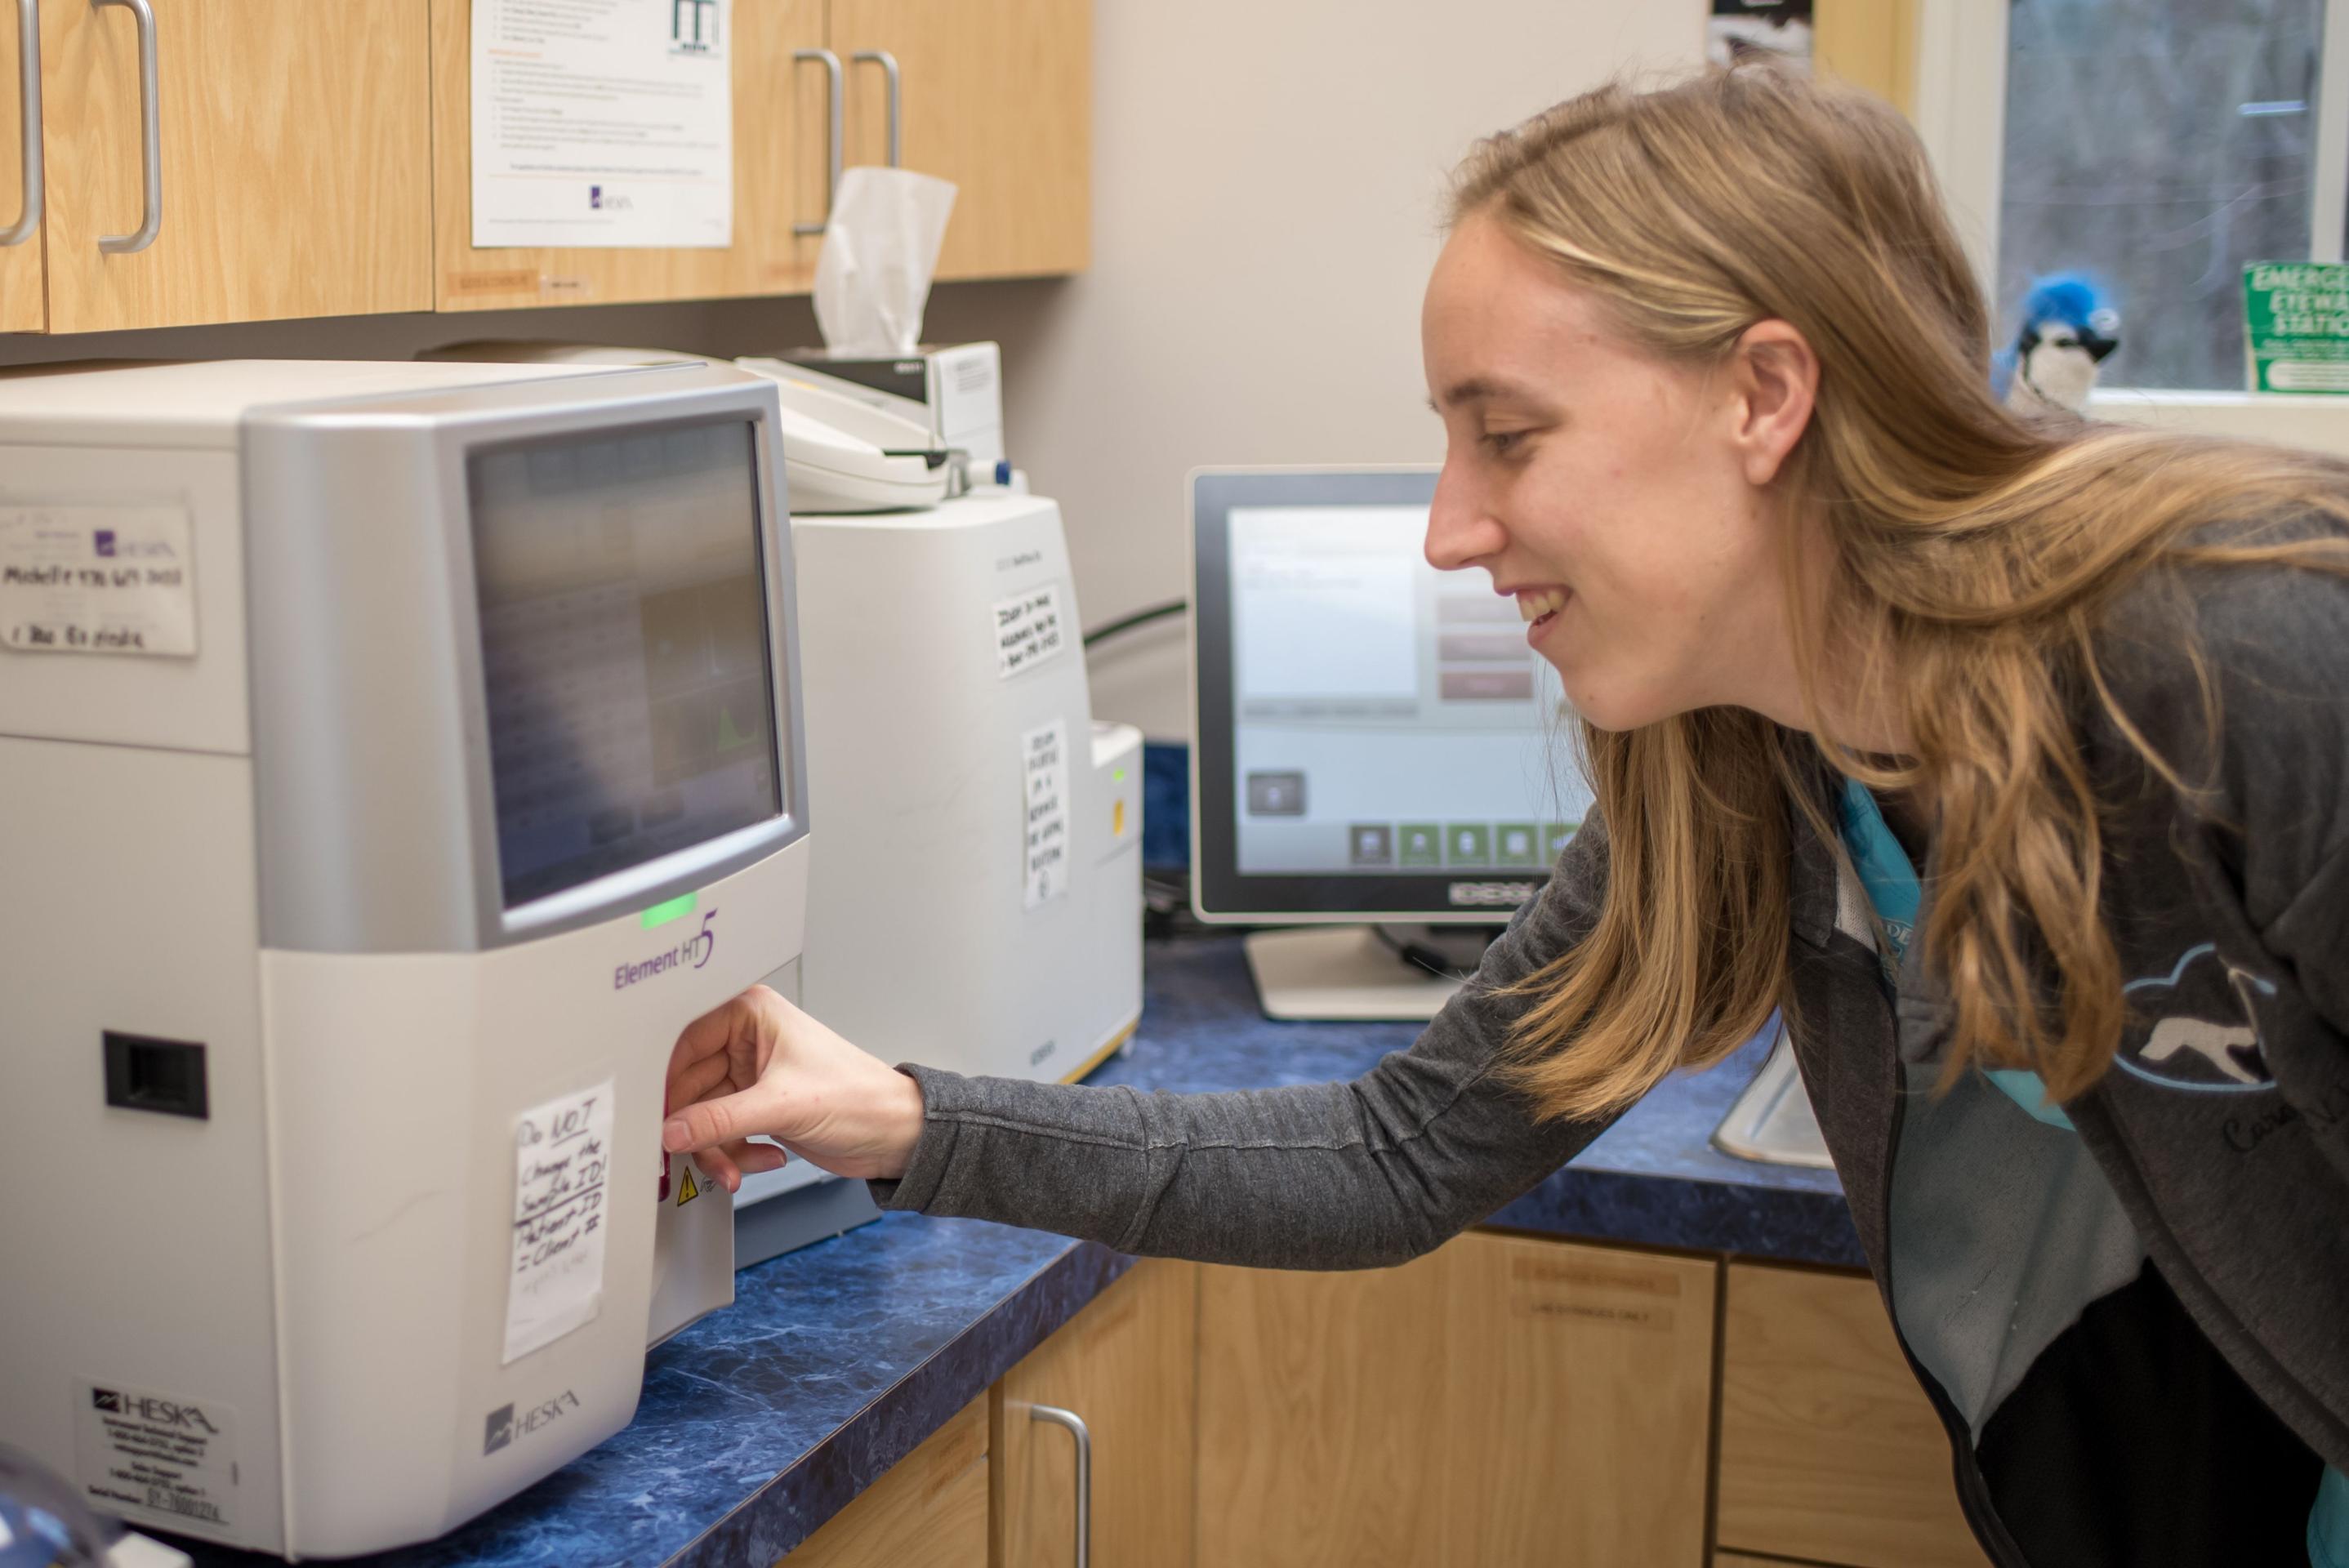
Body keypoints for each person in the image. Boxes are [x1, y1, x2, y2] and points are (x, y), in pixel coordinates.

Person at [661, 65, 2349, 1568]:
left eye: (1509, 438)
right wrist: (890, 1116)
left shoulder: (2250, 672)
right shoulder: (1744, 760)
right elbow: (1398, 1155)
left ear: (1766, 395)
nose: (1450, 531)